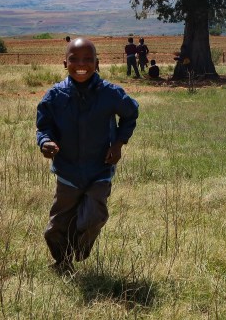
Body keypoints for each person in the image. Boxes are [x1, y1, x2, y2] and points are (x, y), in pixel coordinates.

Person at [36, 37, 139, 274]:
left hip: (100, 169)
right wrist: (46, 142)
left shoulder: (110, 94)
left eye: (88, 59)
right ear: (65, 63)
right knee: (56, 227)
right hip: (67, 171)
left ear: (97, 63)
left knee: (94, 217)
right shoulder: (55, 96)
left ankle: (78, 251)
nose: (81, 64)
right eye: (74, 59)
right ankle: (62, 262)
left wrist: (119, 143)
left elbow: (131, 114)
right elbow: (44, 127)